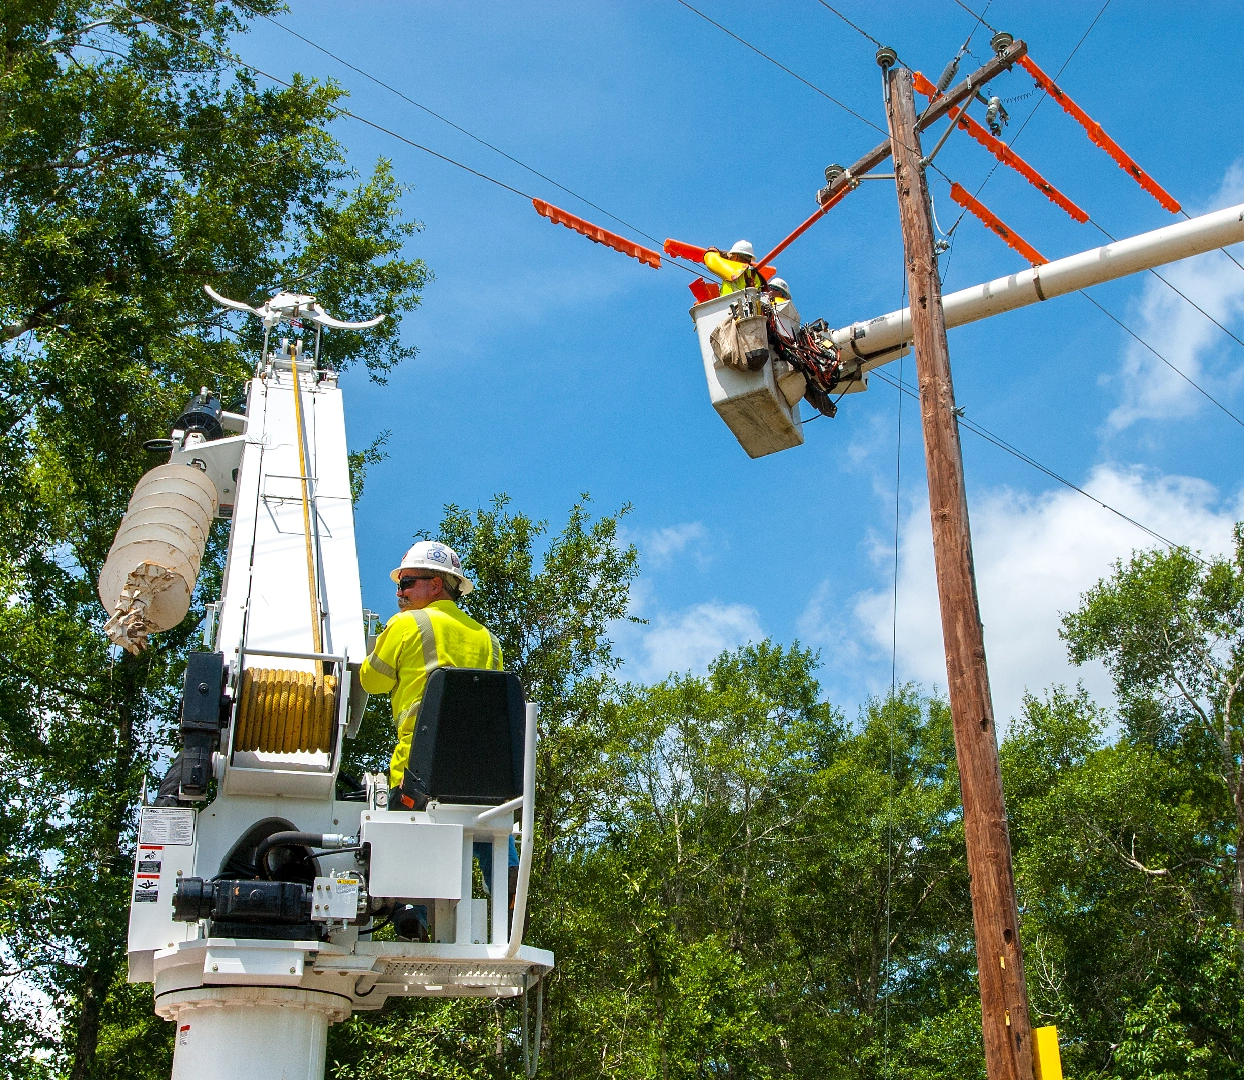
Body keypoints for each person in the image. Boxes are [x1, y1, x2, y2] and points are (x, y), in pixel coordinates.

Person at [358, 540, 518, 933]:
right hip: (485, 779)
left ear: (436, 585)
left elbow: (371, 680)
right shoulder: (488, 640)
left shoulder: (406, 625)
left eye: (408, 583)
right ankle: (509, 884)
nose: (400, 593)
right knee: (483, 822)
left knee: (412, 829)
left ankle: (415, 908)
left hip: (420, 773)